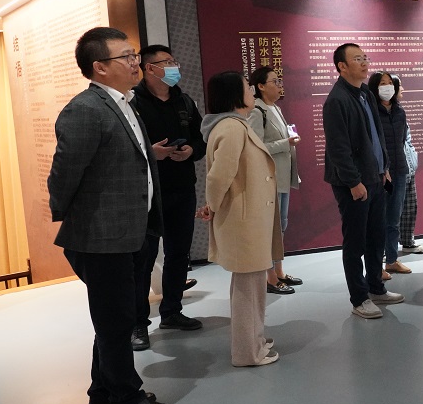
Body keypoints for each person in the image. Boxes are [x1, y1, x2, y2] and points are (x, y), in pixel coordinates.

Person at [48, 26, 173, 404]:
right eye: (127, 57)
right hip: (102, 235)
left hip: (132, 230)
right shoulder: (86, 110)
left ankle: (101, 392)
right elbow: (64, 174)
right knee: (116, 319)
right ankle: (125, 398)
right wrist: (76, 218)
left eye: (134, 55)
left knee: (113, 318)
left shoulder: (124, 103)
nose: (136, 62)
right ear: (99, 67)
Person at [199, 71, 283, 366]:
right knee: (249, 289)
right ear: (235, 94)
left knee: (250, 285)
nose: (251, 91)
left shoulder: (234, 125)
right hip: (244, 221)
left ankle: (254, 339)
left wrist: (212, 205)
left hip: (246, 218)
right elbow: (219, 176)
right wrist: (212, 205)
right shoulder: (232, 128)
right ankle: (248, 352)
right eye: (247, 87)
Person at [129, 44, 204, 351]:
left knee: (178, 254)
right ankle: (138, 324)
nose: (174, 67)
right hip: (148, 192)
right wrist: (152, 154)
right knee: (144, 258)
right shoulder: (133, 103)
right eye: (167, 62)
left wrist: (191, 151)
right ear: (149, 68)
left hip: (182, 187)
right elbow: (126, 147)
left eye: (174, 61)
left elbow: (200, 139)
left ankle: (172, 311)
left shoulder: (184, 101)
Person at [322, 43, 404, 319]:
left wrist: (384, 167)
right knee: (355, 242)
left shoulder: (366, 94)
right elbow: (338, 149)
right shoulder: (337, 100)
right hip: (354, 183)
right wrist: (353, 182)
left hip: (375, 177)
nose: (364, 62)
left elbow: (376, 135)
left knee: (376, 237)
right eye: (357, 59)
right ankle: (359, 298)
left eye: (365, 57)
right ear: (342, 66)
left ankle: (376, 288)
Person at [247, 66, 303, 294]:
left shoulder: (275, 108)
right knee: (271, 229)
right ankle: (270, 277)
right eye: (274, 81)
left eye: (279, 81)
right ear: (260, 86)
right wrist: (285, 144)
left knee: (281, 225)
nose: (279, 85)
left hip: (282, 176)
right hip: (268, 178)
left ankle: (279, 271)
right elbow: (256, 147)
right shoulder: (256, 110)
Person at [369, 71, 412, 280]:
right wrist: (382, 168)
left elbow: (402, 140)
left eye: (389, 83)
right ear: (374, 88)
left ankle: (392, 260)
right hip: (379, 173)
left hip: (399, 169)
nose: (387, 87)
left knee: (394, 218)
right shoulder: (371, 112)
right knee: (378, 220)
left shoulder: (399, 111)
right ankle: (376, 265)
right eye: (382, 83)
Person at [398, 78, 423, 256]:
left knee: (409, 206)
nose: (402, 89)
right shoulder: (379, 112)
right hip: (394, 169)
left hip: (408, 165)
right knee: (390, 211)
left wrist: (412, 159)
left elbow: (407, 139)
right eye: (399, 86)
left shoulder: (400, 111)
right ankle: (385, 249)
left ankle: (408, 242)